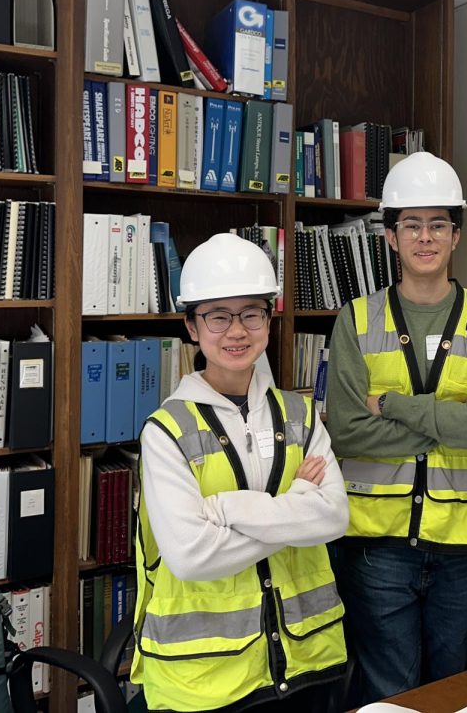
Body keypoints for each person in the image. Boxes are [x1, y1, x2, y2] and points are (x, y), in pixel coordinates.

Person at [325, 152, 467, 706]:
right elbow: (347, 432)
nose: (425, 237)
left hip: (465, 545)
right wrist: (451, 420)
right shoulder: (356, 320)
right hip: (377, 547)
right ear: (390, 236)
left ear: (456, 235)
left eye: (438, 224)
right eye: (411, 224)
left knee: (456, 689)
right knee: (391, 692)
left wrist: (391, 404)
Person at [131, 233, 349, 712]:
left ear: (268, 320)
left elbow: (334, 519)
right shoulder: (166, 431)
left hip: (308, 660)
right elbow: (190, 557)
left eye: (251, 313)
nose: (236, 331)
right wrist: (295, 512)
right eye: (217, 316)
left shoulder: (301, 415)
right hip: (205, 678)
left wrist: (231, 509)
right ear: (191, 326)